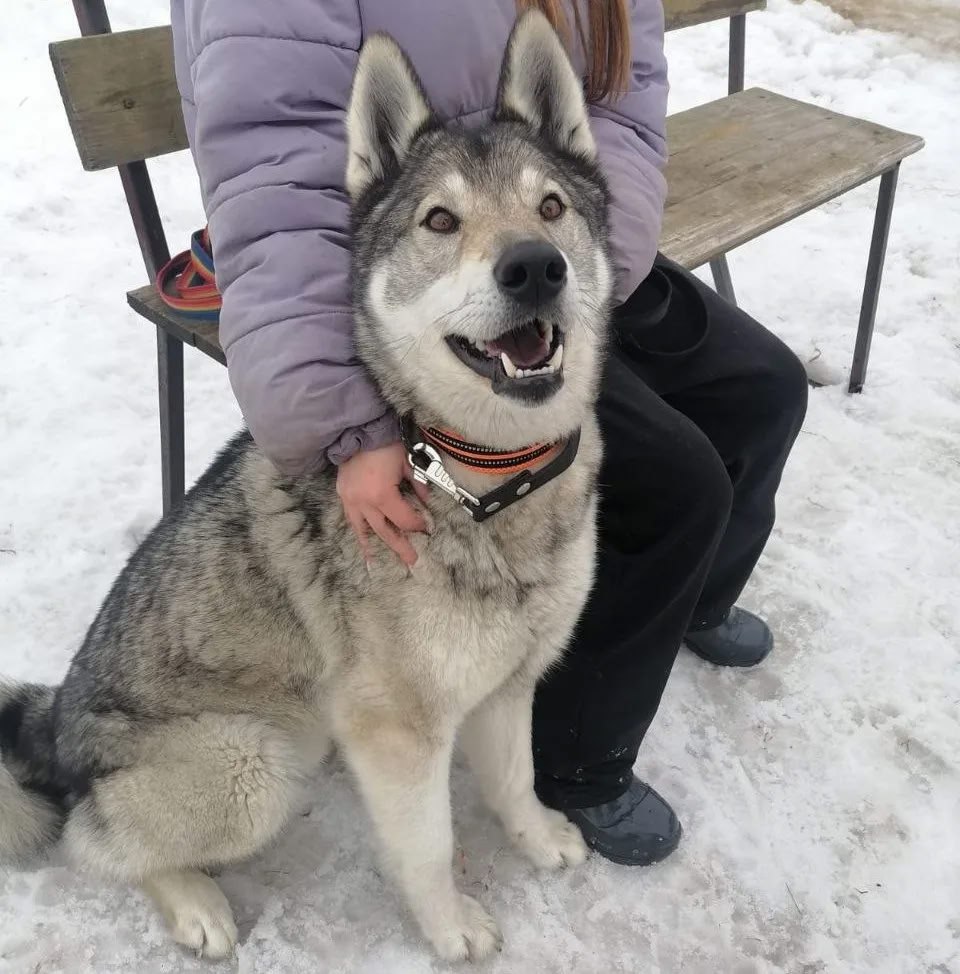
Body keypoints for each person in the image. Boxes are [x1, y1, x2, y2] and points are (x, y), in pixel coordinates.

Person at [170, 0, 808, 866]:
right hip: (409, 291)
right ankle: (578, 764)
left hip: (566, 246)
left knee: (762, 391)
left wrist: (574, 252)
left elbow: (622, 105)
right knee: (681, 484)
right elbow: (274, 193)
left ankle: (685, 602)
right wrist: (345, 425)